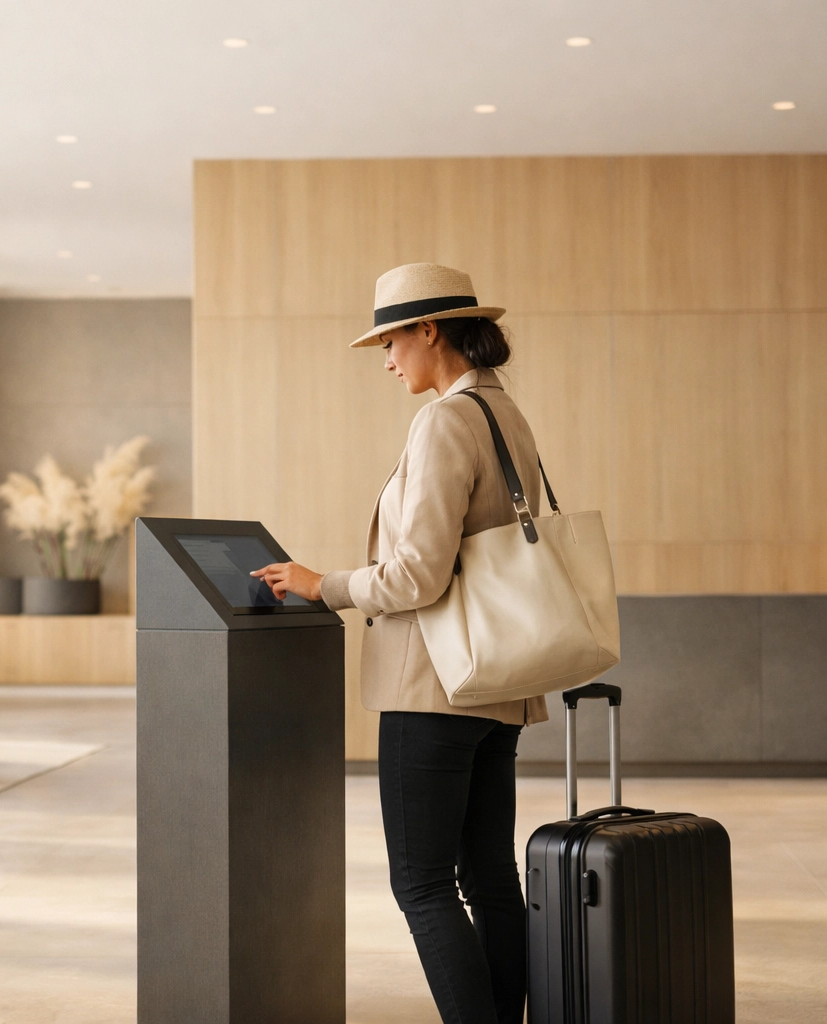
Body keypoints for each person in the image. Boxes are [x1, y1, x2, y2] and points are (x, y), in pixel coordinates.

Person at [251, 263, 547, 1024]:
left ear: (429, 330)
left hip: (433, 688)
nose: (387, 361)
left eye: (390, 341)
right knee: (488, 880)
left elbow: (417, 575)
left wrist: (327, 584)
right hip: (498, 683)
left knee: (421, 884)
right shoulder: (503, 412)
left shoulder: (447, 419)